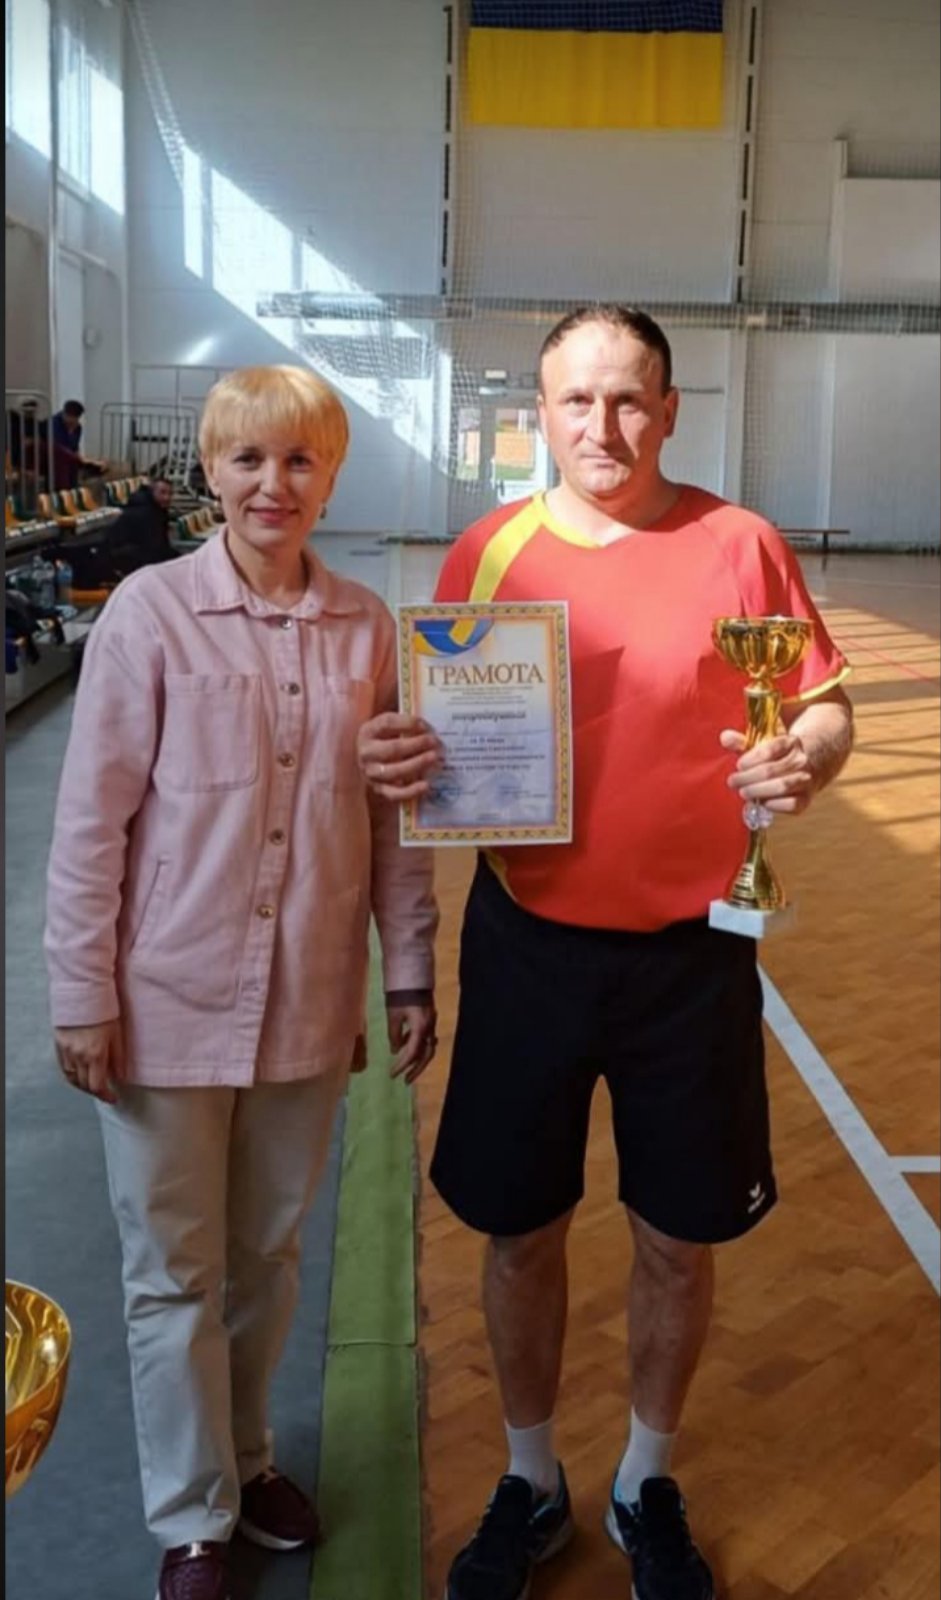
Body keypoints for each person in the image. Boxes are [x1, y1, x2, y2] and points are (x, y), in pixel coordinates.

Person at [356, 305, 854, 1600]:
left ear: (670, 410)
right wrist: (405, 753)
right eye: (576, 400)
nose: (602, 425)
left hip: (692, 959)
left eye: (629, 399)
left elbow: (825, 703)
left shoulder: (740, 544)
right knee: (519, 1231)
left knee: (677, 1239)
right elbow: (436, 724)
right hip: (526, 947)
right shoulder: (488, 550)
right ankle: (530, 1478)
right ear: (541, 410)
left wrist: (810, 757)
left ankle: (643, 1479)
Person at [44, 364, 439, 1600]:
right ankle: (193, 1517)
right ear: (210, 472)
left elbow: (392, 821)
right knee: (174, 1269)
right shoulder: (150, 614)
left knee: (267, 1255)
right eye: (250, 459)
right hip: (164, 999)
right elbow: (91, 823)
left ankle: (251, 1454)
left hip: (306, 999)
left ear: (332, 475)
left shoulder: (368, 628)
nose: (275, 484)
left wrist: (407, 968)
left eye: (301, 459)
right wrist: (82, 992)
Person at [106, 474, 179, 577]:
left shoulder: (159, 510)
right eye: (162, 492)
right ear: (152, 492)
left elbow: (161, 543)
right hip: (124, 555)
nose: (167, 497)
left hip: (140, 551)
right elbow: (152, 546)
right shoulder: (145, 512)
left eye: (170, 494)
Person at [51, 399, 106, 488]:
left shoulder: (77, 428)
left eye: (75, 418)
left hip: (69, 457)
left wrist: (87, 461)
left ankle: (76, 488)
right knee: (64, 466)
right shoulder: (54, 424)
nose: (72, 421)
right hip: (54, 457)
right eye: (70, 417)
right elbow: (58, 447)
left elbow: (75, 448)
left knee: (99, 468)